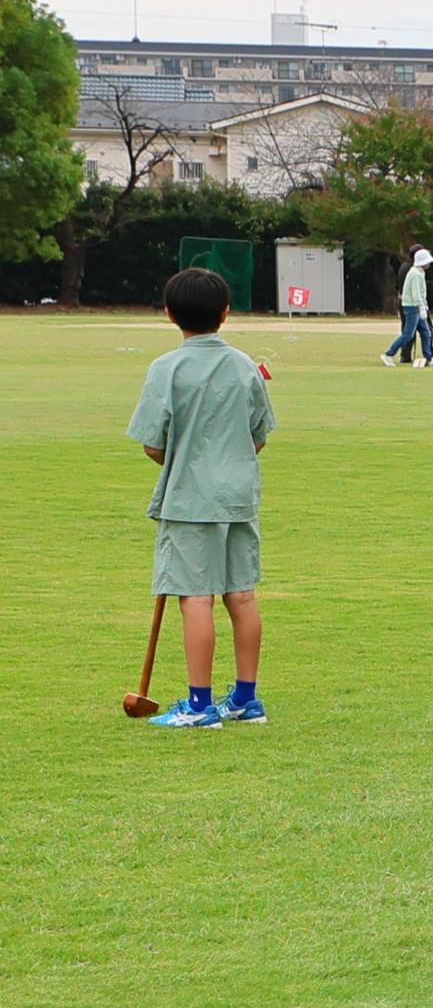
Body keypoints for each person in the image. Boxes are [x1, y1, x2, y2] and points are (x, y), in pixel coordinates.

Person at [125, 268, 276, 728]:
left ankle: (199, 704)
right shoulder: (245, 365)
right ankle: (245, 700)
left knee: (195, 597)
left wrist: (185, 462)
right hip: (237, 496)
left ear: (170, 314)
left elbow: (153, 443)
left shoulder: (165, 369)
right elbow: (259, 435)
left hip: (190, 497)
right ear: (225, 314)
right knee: (242, 595)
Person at [381, 247, 433, 368]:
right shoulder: (415, 274)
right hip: (412, 307)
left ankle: (429, 358)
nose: (429, 264)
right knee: (408, 334)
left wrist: (424, 306)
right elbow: (416, 293)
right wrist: (421, 308)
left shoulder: (418, 272)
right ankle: (388, 354)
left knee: (426, 333)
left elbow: (422, 294)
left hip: (416, 306)